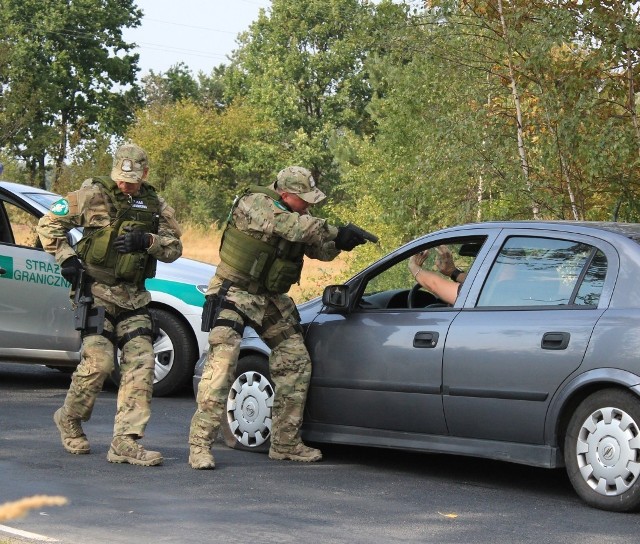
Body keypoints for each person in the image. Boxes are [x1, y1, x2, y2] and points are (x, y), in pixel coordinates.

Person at [189, 166, 368, 470]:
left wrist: (340, 243)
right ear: (285, 194)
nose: (309, 205)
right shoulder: (255, 203)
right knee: (222, 364)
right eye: (304, 199)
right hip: (234, 292)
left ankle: (285, 443)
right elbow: (292, 227)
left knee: (295, 361)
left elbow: (319, 250)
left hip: (270, 297)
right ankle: (199, 445)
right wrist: (335, 231)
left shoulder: (299, 217)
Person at [37, 143, 183, 467]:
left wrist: (147, 241)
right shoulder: (92, 194)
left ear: (144, 174)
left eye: (132, 180)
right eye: (121, 177)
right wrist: (66, 258)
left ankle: (125, 442)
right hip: (96, 291)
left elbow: (175, 247)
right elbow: (48, 224)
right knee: (100, 362)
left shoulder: (156, 204)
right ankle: (69, 417)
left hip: (133, 296)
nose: (124, 185)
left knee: (142, 364)